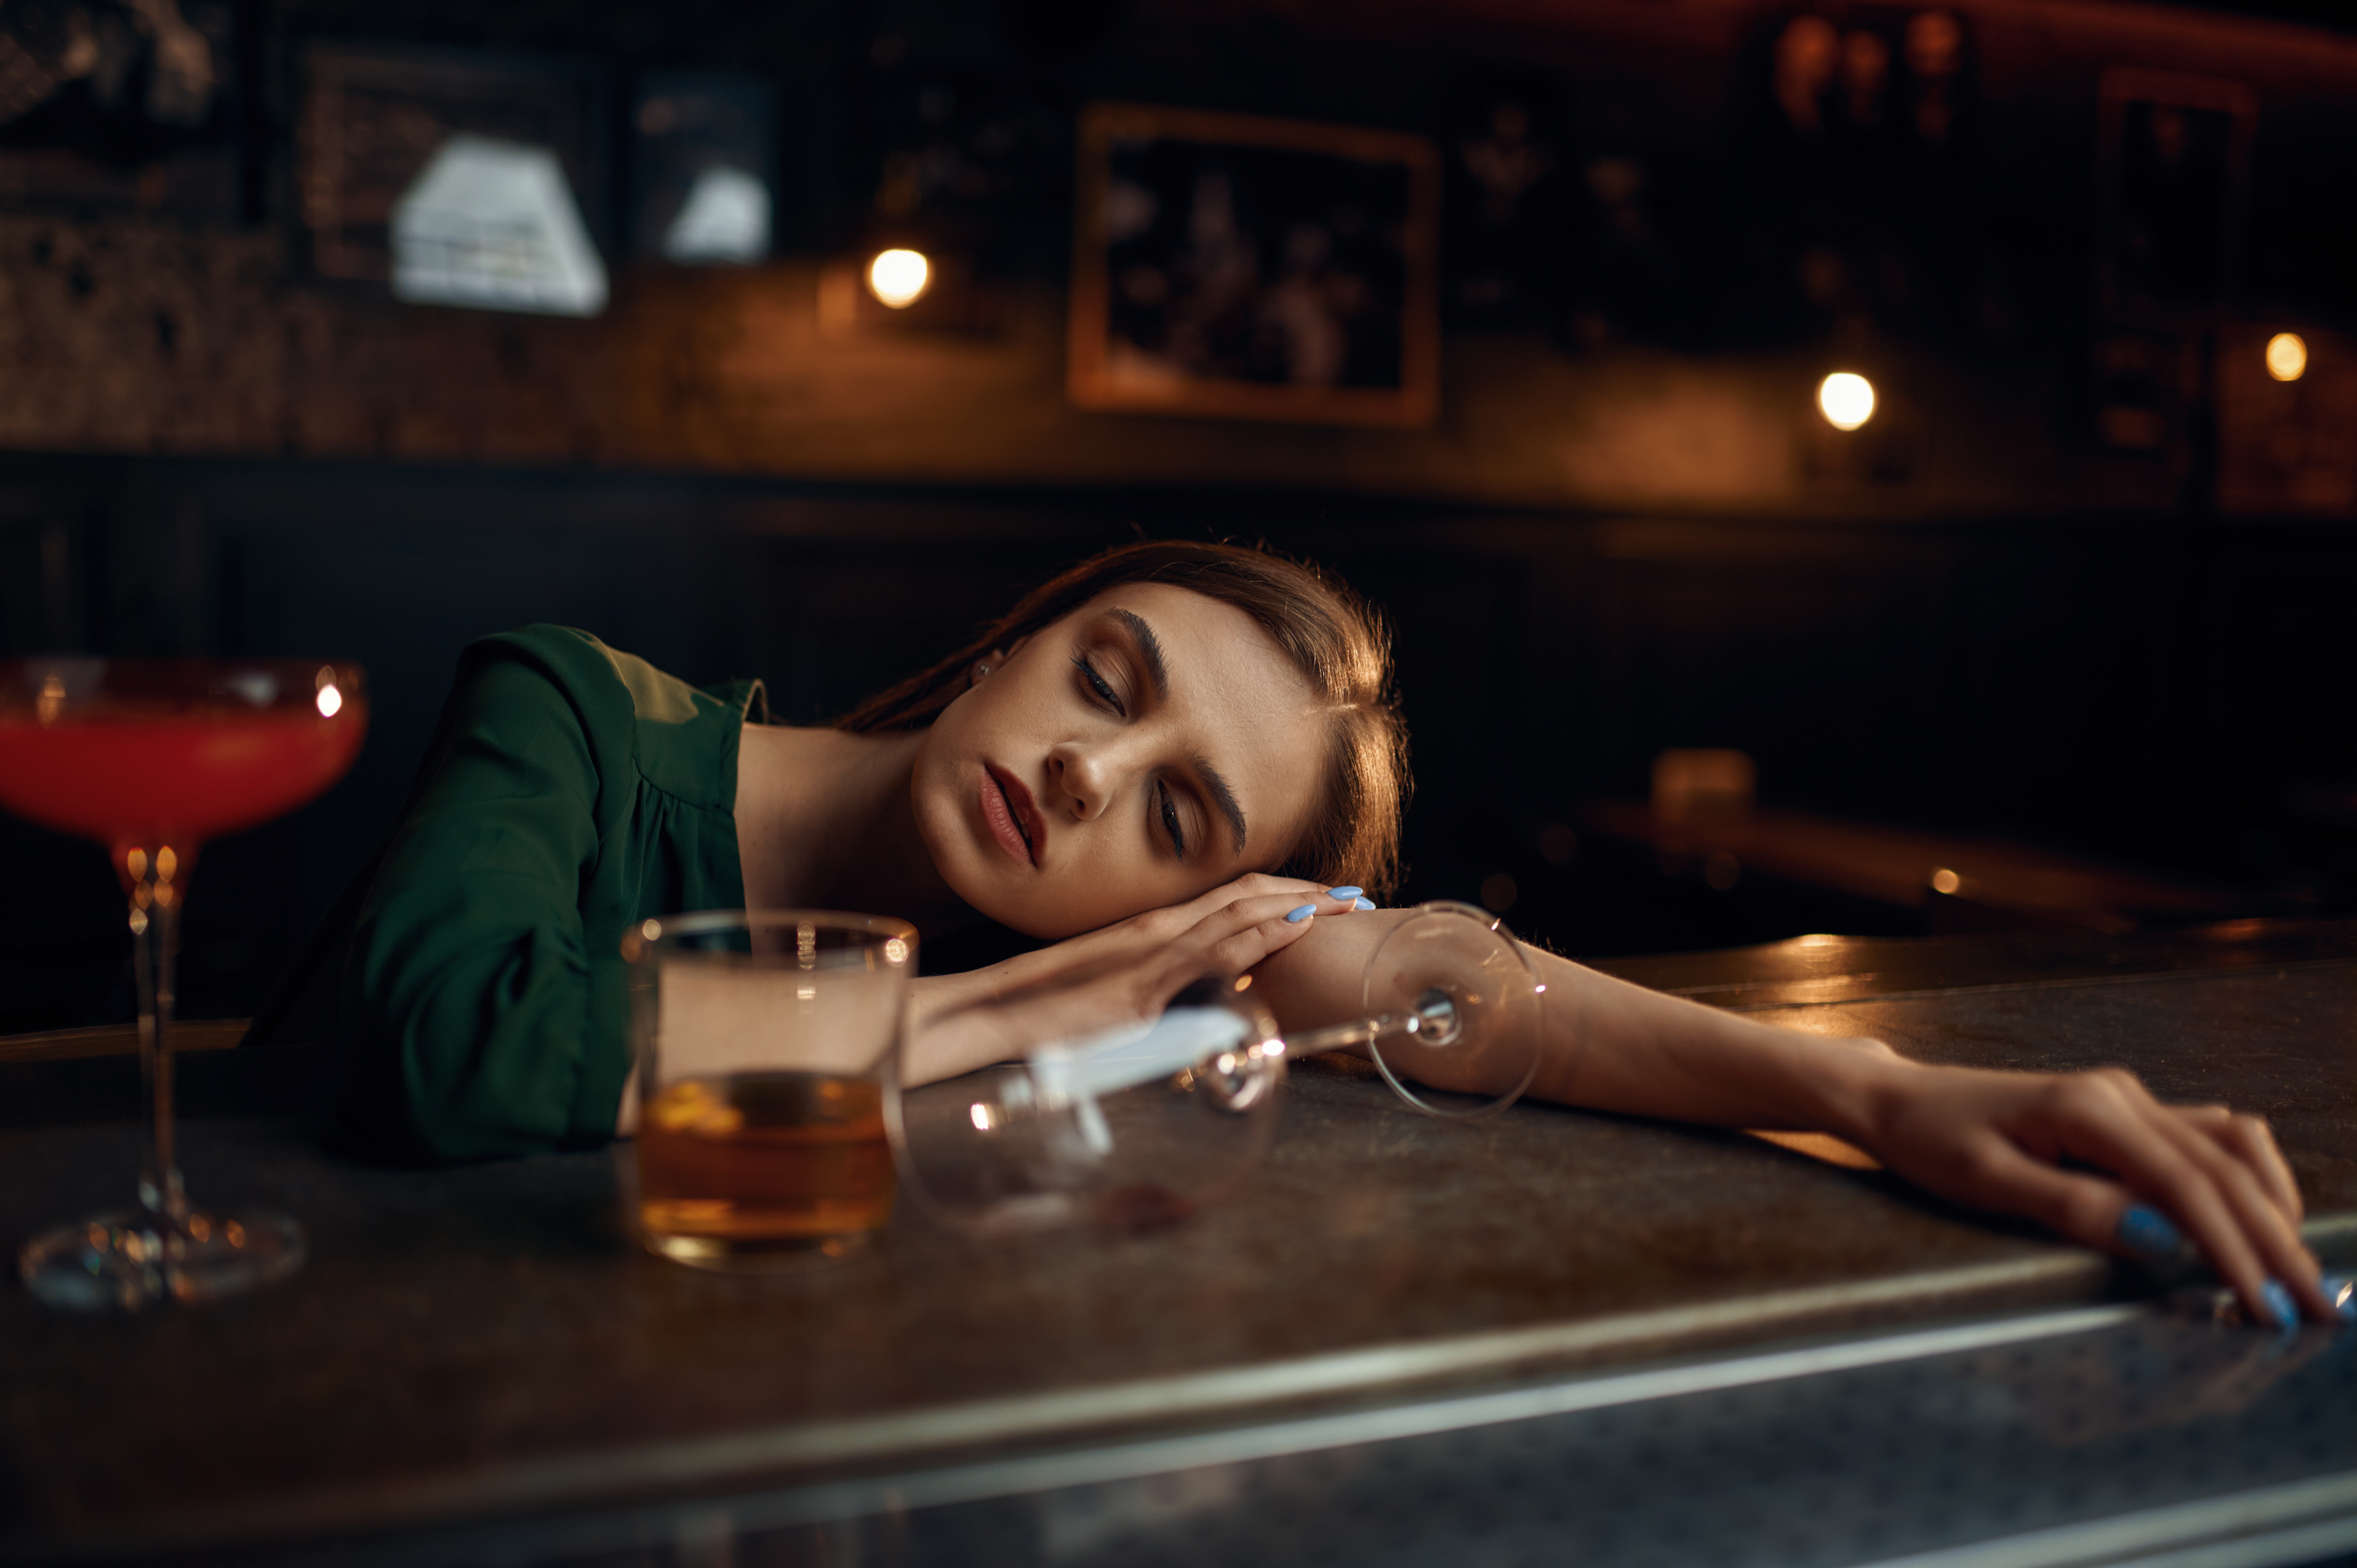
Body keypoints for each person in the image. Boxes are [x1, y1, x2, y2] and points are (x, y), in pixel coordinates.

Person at [280, 539, 2341, 1327]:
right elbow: (444, 1041)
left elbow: (1454, 988)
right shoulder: (563, 700)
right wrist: (997, 1012)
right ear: (1020, 633)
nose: (1085, 777)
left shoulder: (1156, 941)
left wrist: (1883, 1098)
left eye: (1172, 815)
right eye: (1103, 678)